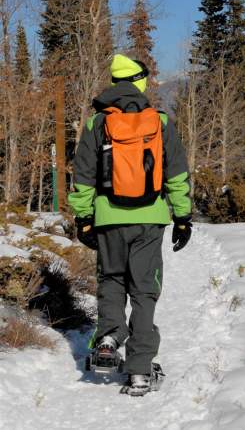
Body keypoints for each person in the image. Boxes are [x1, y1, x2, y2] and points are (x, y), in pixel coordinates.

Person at [68, 54, 192, 396]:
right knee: (144, 289)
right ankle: (139, 370)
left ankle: (109, 335)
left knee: (111, 278)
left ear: (113, 81)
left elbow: (83, 178)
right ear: (140, 81)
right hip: (150, 219)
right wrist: (182, 217)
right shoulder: (161, 122)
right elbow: (178, 175)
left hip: (109, 218)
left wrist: (84, 218)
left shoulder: (97, 124)